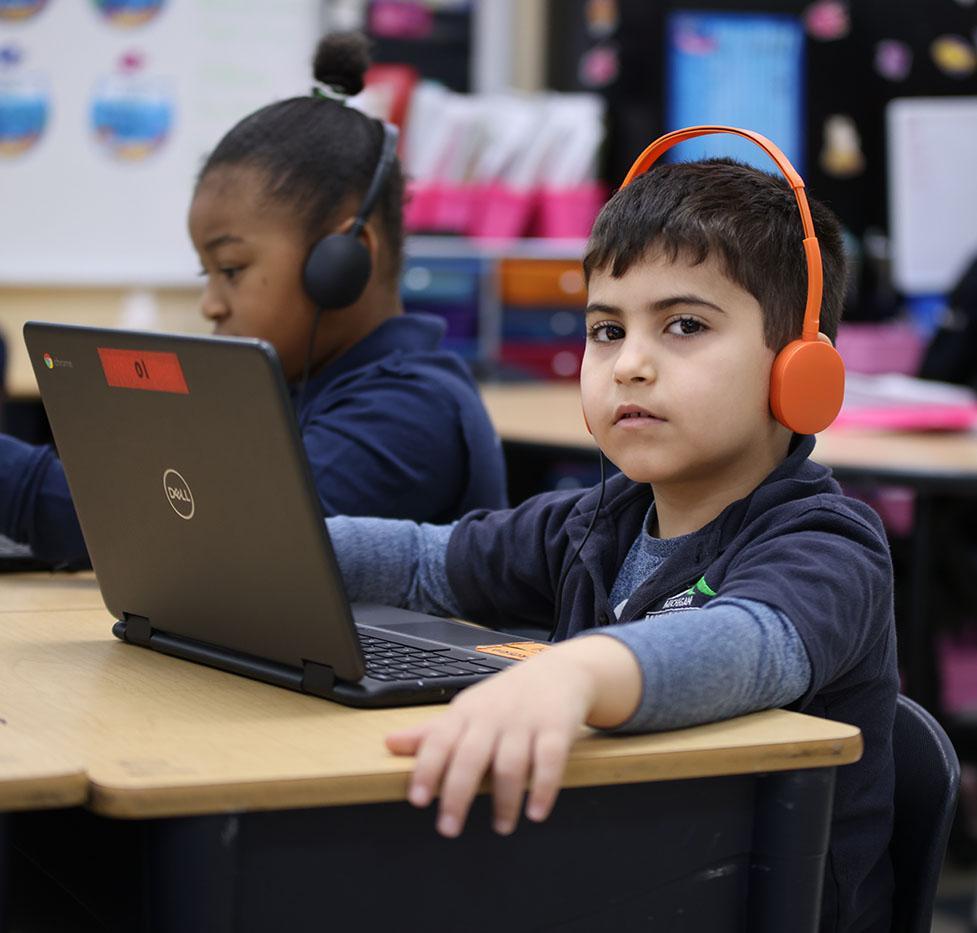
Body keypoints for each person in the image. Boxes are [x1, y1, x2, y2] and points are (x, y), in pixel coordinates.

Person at [326, 146, 896, 932]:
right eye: (605, 329)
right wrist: (266, 545)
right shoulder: (594, 518)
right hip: (617, 879)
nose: (628, 364)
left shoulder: (827, 542)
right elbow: (428, 562)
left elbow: (752, 641)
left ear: (800, 371)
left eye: (684, 325)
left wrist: (574, 673)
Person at [0, 32, 507, 568]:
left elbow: (199, 541)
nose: (211, 305)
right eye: (207, 273)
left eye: (232, 270)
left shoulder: (408, 415)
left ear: (342, 262)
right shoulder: (283, 388)